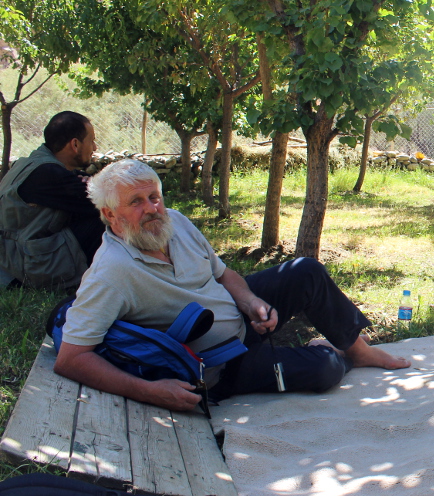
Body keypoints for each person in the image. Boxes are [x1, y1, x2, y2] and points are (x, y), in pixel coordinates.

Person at [53, 159, 408, 413]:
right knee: (324, 368)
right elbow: (72, 359)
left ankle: (357, 349)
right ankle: (337, 355)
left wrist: (251, 302)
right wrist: (150, 391)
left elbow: (223, 275)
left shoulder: (175, 222)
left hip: (242, 321)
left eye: (154, 197)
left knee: (305, 270)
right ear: (110, 215)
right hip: (217, 367)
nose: (152, 209)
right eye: (136, 202)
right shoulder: (110, 272)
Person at [0, 111, 103, 289]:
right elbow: (106, 200)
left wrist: (89, 185)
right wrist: (98, 187)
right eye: (91, 140)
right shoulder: (49, 174)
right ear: (75, 144)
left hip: (12, 258)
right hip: (27, 265)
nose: (94, 147)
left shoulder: (32, 163)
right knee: (109, 215)